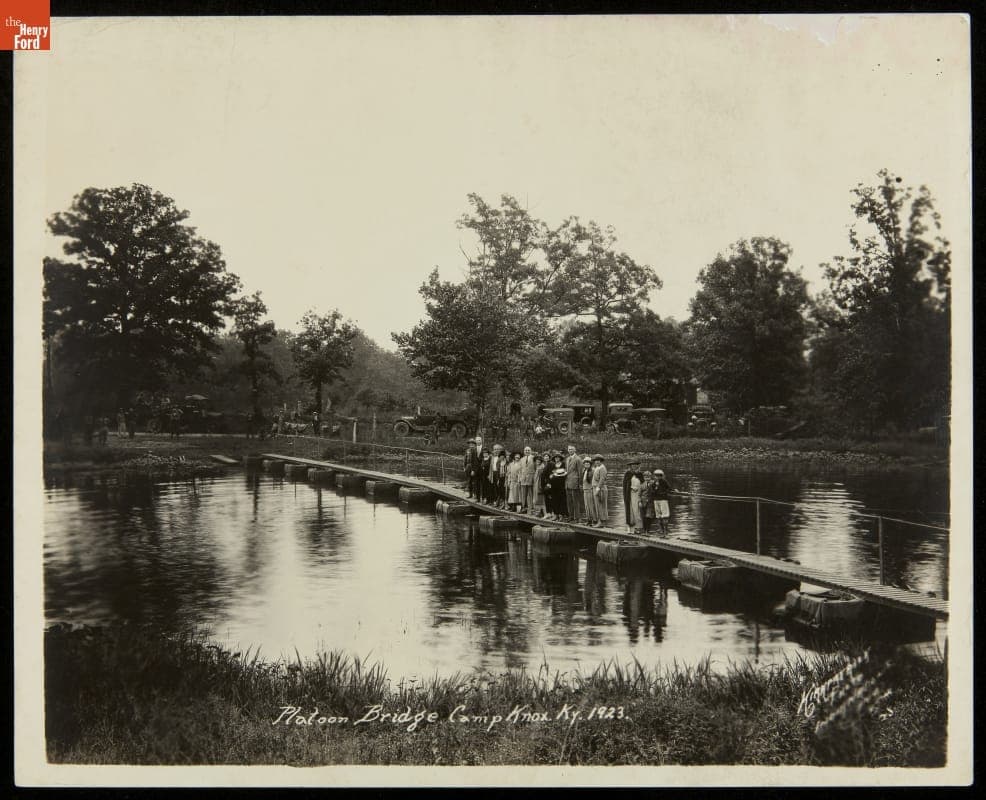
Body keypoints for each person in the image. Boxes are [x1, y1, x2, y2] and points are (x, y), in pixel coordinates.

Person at [564, 444, 583, 522]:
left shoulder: (578, 459)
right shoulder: (567, 459)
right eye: (569, 449)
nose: (570, 450)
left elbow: (580, 472)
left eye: (572, 449)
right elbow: (566, 471)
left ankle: (577, 518)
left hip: (575, 483)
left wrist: (580, 483)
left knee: (576, 501)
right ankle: (571, 516)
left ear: (575, 450)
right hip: (568, 483)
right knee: (569, 501)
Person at [547, 453, 568, 520]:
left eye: (558, 457)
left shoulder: (563, 464)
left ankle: (561, 515)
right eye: (555, 457)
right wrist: (549, 482)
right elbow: (550, 475)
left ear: (560, 458)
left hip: (561, 484)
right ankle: (556, 514)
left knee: (561, 500)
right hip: (554, 484)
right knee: (554, 500)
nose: (557, 459)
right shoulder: (552, 465)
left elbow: (565, 474)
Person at [622, 458, 641, 532]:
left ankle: (637, 527)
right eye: (632, 465)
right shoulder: (628, 473)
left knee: (637, 510)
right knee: (630, 509)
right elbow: (625, 484)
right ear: (630, 466)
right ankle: (629, 526)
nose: (634, 466)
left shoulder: (640, 474)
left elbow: (643, 483)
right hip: (630, 494)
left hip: (637, 494)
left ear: (638, 466)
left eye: (635, 465)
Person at [653, 468, 673, 535]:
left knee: (665, 515)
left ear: (661, 476)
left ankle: (665, 531)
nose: (657, 477)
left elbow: (669, 489)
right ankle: (661, 530)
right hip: (656, 500)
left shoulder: (664, 482)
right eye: (656, 475)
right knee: (658, 516)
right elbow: (652, 491)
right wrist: (655, 488)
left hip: (663, 500)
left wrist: (663, 492)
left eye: (659, 475)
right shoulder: (654, 483)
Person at [591, 454, 608, 527]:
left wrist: (598, 488)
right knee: (598, 505)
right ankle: (600, 521)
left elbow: (602, 479)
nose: (597, 462)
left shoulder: (602, 468)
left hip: (600, 488)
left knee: (601, 505)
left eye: (598, 460)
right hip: (596, 487)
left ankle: (601, 522)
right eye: (595, 461)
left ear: (601, 461)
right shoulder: (597, 467)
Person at [518, 446, 536, 513]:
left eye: (528, 450)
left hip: (531, 478)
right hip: (523, 479)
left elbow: (536, 468)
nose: (527, 451)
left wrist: (534, 478)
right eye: (526, 450)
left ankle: (531, 508)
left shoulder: (534, 458)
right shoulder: (522, 459)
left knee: (531, 494)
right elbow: (520, 470)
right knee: (523, 494)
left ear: (531, 451)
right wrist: (519, 478)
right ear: (524, 451)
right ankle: (524, 507)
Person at [581, 456, 596, 525]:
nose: (586, 464)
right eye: (585, 463)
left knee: (591, 505)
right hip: (585, 489)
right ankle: (589, 520)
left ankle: (594, 520)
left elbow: (594, 481)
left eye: (588, 462)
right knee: (586, 506)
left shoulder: (592, 470)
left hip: (590, 489)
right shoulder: (584, 470)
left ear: (590, 463)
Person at [629, 468, 643, 533]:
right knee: (633, 511)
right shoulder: (632, 477)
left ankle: (639, 527)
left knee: (637, 511)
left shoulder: (639, 479)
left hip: (636, 495)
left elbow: (638, 488)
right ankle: (634, 527)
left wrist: (631, 487)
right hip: (632, 495)